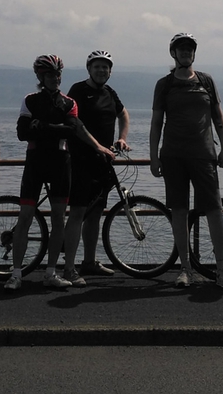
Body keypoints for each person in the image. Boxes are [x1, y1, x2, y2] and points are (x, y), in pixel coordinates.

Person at [4, 54, 114, 291]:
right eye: (50, 75)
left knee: (58, 219)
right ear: (40, 77)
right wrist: (57, 129)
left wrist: (42, 127)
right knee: (25, 217)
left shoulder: (68, 103)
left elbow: (75, 130)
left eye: (58, 74)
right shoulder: (30, 100)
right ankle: (15, 274)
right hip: (36, 162)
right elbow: (23, 133)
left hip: (61, 163)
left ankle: (51, 272)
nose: (56, 78)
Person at [149, 33, 223, 289]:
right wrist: (154, 157)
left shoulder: (206, 81)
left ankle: (222, 269)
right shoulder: (164, 84)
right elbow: (156, 123)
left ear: (194, 53)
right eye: (181, 49)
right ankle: (185, 269)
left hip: (203, 155)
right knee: (179, 211)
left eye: (189, 49)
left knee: (214, 210)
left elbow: (218, 117)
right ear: (173, 53)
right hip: (174, 155)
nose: (185, 52)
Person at [61, 50, 130, 287]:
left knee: (95, 215)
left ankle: (89, 261)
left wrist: (122, 138)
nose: (102, 71)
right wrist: (97, 145)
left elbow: (123, 114)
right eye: (97, 66)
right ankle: (69, 269)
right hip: (80, 160)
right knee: (78, 213)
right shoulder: (78, 90)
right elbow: (74, 122)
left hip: (103, 163)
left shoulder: (110, 93)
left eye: (106, 67)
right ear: (89, 69)